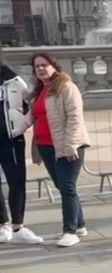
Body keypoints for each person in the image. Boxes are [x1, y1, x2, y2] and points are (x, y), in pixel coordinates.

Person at [30, 53, 90, 248]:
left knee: (67, 187)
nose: (40, 69)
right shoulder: (40, 91)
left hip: (68, 146)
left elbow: (75, 118)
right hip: (46, 146)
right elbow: (33, 117)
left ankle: (70, 231)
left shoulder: (66, 87)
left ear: (54, 66)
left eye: (44, 65)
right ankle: (79, 224)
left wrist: (71, 145)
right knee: (63, 186)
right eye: (37, 66)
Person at [0, 47, 42, 245]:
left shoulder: (14, 80)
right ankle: (2, 224)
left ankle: (18, 226)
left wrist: (22, 126)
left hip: (10, 139)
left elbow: (31, 105)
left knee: (16, 181)